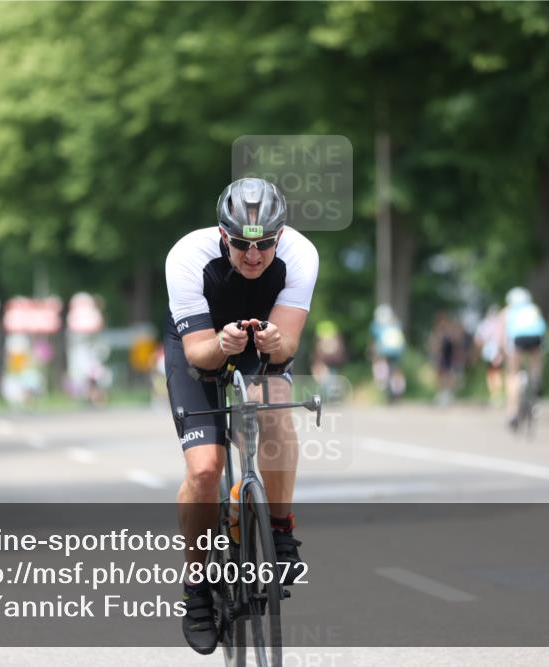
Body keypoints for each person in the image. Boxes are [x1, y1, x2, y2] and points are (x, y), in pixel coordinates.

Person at [164, 177, 318, 654]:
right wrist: (222, 345)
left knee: (274, 412)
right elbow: (200, 354)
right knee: (205, 468)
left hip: (260, 345)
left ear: (280, 235)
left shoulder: (302, 254)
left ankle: (280, 531)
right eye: (242, 246)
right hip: (201, 346)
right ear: (222, 234)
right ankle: (197, 593)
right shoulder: (187, 257)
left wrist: (274, 343)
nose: (254, 257)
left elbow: (289, 342)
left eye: (265, 246)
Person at [499, 287, 547, 430]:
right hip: (536, 338)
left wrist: (503, 353)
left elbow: (503, 336)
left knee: (512, 375)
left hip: (518, 339)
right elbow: (542, 329)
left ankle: (512, 413)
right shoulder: (534, 309)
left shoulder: (507, 311)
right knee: (536, 361)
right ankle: (536, 379)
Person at [370, 303, 406, 403]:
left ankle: (384, 386)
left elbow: (374, 341)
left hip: (384, 352)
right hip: (397, 352)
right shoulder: (396, 324)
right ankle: (398, 390)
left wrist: (372, 353)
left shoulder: (377, 326)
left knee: (382, 368)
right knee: (396, 371)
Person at [474, 305, 504, 406]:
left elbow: (478, 340)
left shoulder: (484, 325)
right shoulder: (500, 323)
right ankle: (497, 394)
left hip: (490, 352)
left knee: (492, 373)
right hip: (498, 351)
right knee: (497, 372)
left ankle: (495, 394)